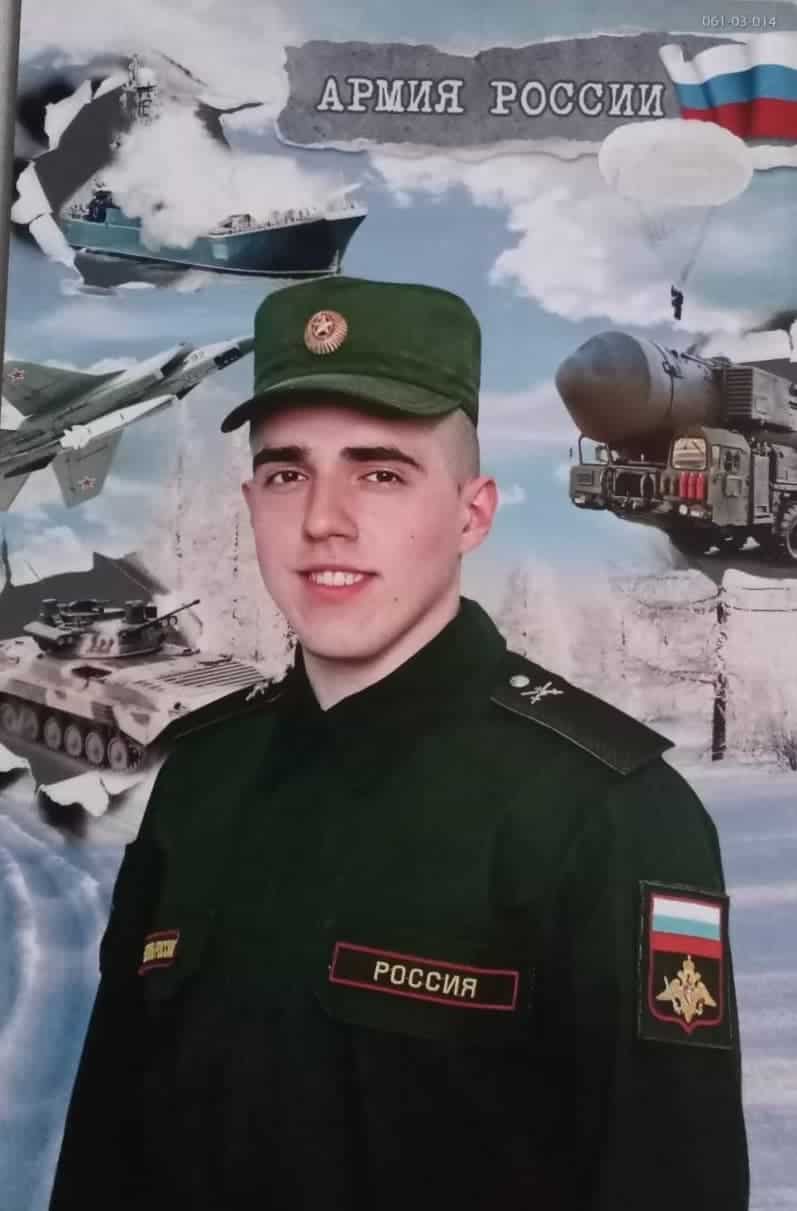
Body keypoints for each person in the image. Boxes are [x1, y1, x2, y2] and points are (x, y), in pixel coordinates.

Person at [49, 277, 749, 1210]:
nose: (322, 519)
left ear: (471, 513)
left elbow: (670, 1178)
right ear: (252, 502)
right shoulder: (203, 774)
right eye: (287, 473)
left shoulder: (608, 814)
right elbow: (108, 1146)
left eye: (380, 472)